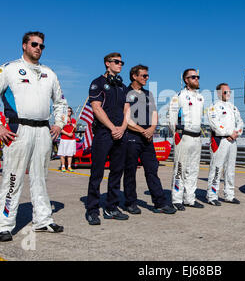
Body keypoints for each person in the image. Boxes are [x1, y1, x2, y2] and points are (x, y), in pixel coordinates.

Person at [0, 31, 68, 242]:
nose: (38, 48)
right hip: (18, 130)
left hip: (43, 131)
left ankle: (43, 220)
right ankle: (4, 226)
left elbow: (61, 102)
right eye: (34, 44)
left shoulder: (49, 73)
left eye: (41, 46)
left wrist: (59, 123)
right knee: (13, 179)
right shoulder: (9, 69)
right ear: (24, 46)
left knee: (40, 179)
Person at [123, 65, 177, 215]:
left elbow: (154, 113)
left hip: (148, 138)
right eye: (144, 76)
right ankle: (130, 203)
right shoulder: (126, 93)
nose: (147, 78)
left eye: (147, 76)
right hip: (132, 137)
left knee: (152, 170)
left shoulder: (148, 94)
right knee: (130, 171)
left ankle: (160, 203)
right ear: (134, 76)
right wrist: (142, 130)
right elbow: (126, 118)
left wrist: (152, 128)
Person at [85, 52, 130, 225]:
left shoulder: (123, 86)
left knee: (117, 172)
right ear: (107, 63)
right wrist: (112, 128)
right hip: (104, 133)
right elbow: (96, 108)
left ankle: (111, 207)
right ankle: (92, 209)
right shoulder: (98, 83)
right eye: (116, 62)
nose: (120, 65)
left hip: (121, 133)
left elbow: (127, 110)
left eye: (121, 62)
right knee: (97, 173)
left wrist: (123, 128)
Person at [168, 68, 204, 211]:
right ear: (186, 80)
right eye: (193, 77)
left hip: (197, 137)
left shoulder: (201, 98)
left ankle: (190, 198)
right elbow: (171, 117)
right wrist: (176, 133)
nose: (197, 79)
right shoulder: (179, 96)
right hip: (183, 137)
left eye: (198, 77)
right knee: (180, 168)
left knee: (193, 169)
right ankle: (177, 199)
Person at [206, 83, 244, 206]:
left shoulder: (233, 107)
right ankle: (212, 196)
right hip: (220, 141)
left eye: (229, 92)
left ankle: (229, 195)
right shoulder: (213, 107)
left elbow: (240, 122)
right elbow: (214, 124)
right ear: (218, 93)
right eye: (225, 92)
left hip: (233, 141)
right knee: (216, 169)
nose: (228, 94)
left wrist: (236, 133)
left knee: (230, 170)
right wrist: (228, 133)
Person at [58, 107, 77, 172]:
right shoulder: (62, 119)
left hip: (72, 139)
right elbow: (60, 129)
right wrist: (67, 134)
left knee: (70, 153)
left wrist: (74, 127)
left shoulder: (73, 120)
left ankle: (69, 166)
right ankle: (63, 166)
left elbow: (75, 130)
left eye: (70, 111)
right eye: (68, 111)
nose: (69, 112)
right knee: (62, 153)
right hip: (64, 138)